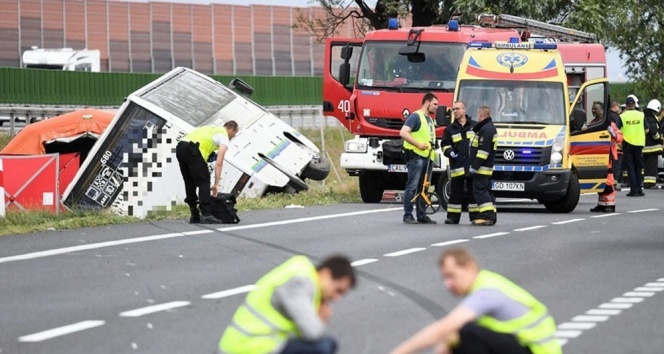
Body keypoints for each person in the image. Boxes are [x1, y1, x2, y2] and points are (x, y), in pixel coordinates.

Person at [390, 248, 561, 354]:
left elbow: (443, 329)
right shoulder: (486, 283)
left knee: (466, 332)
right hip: (525, 348)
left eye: (451, 276)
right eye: (444, 278)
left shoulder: (486, 291)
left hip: (536, 351)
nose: (447, 284)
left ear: (470, 267)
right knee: (459, 337)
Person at [217, 255, 356, 354]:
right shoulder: (300, 283)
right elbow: (313, 332)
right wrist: (320, 319)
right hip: (246, 348)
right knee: (323, 346)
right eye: (338, 290)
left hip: (254, 345)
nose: (337, 298)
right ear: (326, 274)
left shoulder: (303, 274)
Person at [176, 121, 238, 224]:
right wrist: (216, 184)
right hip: (193, 149)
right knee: (204, 182)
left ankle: (194, 213)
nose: (234, 136)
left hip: (180, 147)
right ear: (231, 129)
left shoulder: (211, 129)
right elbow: (219, 162)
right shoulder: (224, 137)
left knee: (189, 181)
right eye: (235, 133)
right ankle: (206, 214)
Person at [400, 93, 438, 224]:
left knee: (424, 188)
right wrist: (418, 144)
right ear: (427, 103)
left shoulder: (430, 120)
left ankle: (421, 214)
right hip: (417, 157)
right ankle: (408, 215)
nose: (436, 107)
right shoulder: (416, 117)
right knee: (412, 186)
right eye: (435, 104)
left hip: (427, 157)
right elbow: (403, 132)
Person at [440, 101, 478, 224]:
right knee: (455, 193)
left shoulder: (475, 126)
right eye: (453, 109)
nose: (455, 111)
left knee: (474, 193)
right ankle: (453, 217)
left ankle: (475, 217)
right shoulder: (450, 129)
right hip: (457, 166)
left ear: (464, 110)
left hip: (472, 166)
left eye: (458, 109)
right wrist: (449, 152)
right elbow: (445, 145)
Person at [468, 105, 497, 226]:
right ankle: (491, 214)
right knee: (486, 191)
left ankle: (487, 216)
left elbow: (483, 152)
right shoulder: (488, 128)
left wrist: (474, 167)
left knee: (480, 190)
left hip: (482, 168)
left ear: (480, 115)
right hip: (486, 168)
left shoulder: (486, 129)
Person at [590, 108, 623, 212]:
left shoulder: (610, 124)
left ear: (602, 111)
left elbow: (620, 137)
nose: (593, 111)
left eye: (596, 108)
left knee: (608, 181)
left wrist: (613, 134)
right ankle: (602, 204)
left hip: (607, 155)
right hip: (596, 155)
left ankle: (610, 205)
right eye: (592, 108)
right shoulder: (593, 123)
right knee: (600, 181)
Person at [620, 95, 647, 196]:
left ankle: (633, 190)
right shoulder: (641, 115)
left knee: (630, 167)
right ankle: (640, 190)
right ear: (635, 105)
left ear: (626, 105)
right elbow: (647, 129)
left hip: (627, 144)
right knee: (638, 168)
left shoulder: (622, 116)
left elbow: (617, 129)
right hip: (639, 144)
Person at [642, 99, 662, 189]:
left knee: (648, 165)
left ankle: (648, 183)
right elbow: (653, 131)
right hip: (651, 147)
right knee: (651, 166)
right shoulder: (651, 119)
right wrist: (659, 139)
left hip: (647, 146)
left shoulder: (646, 117)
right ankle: (650, 184)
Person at [608, 101, 624, 190]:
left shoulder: (607, 118)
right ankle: (613, 184)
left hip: (611, 148)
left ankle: (611, 184)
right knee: (615, 167)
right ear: (614, 106)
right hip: (616, 147)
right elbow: (619, 134)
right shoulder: (616, 117)